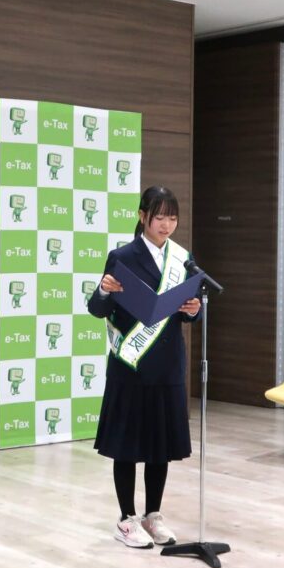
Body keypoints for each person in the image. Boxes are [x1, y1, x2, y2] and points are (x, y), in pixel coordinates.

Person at [87, 186, 200, 549]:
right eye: (159, 217)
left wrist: (194, 310)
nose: (166, 225)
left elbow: (186, 313)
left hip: (167, 363)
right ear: (142, 216)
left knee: (159, 444)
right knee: (127, 444)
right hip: (130, 364)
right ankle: (126, 518)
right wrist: (104, 290)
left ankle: (153, 515)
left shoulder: (183, 259)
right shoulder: (122, 256)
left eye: (172, 218)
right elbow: (98, 309)